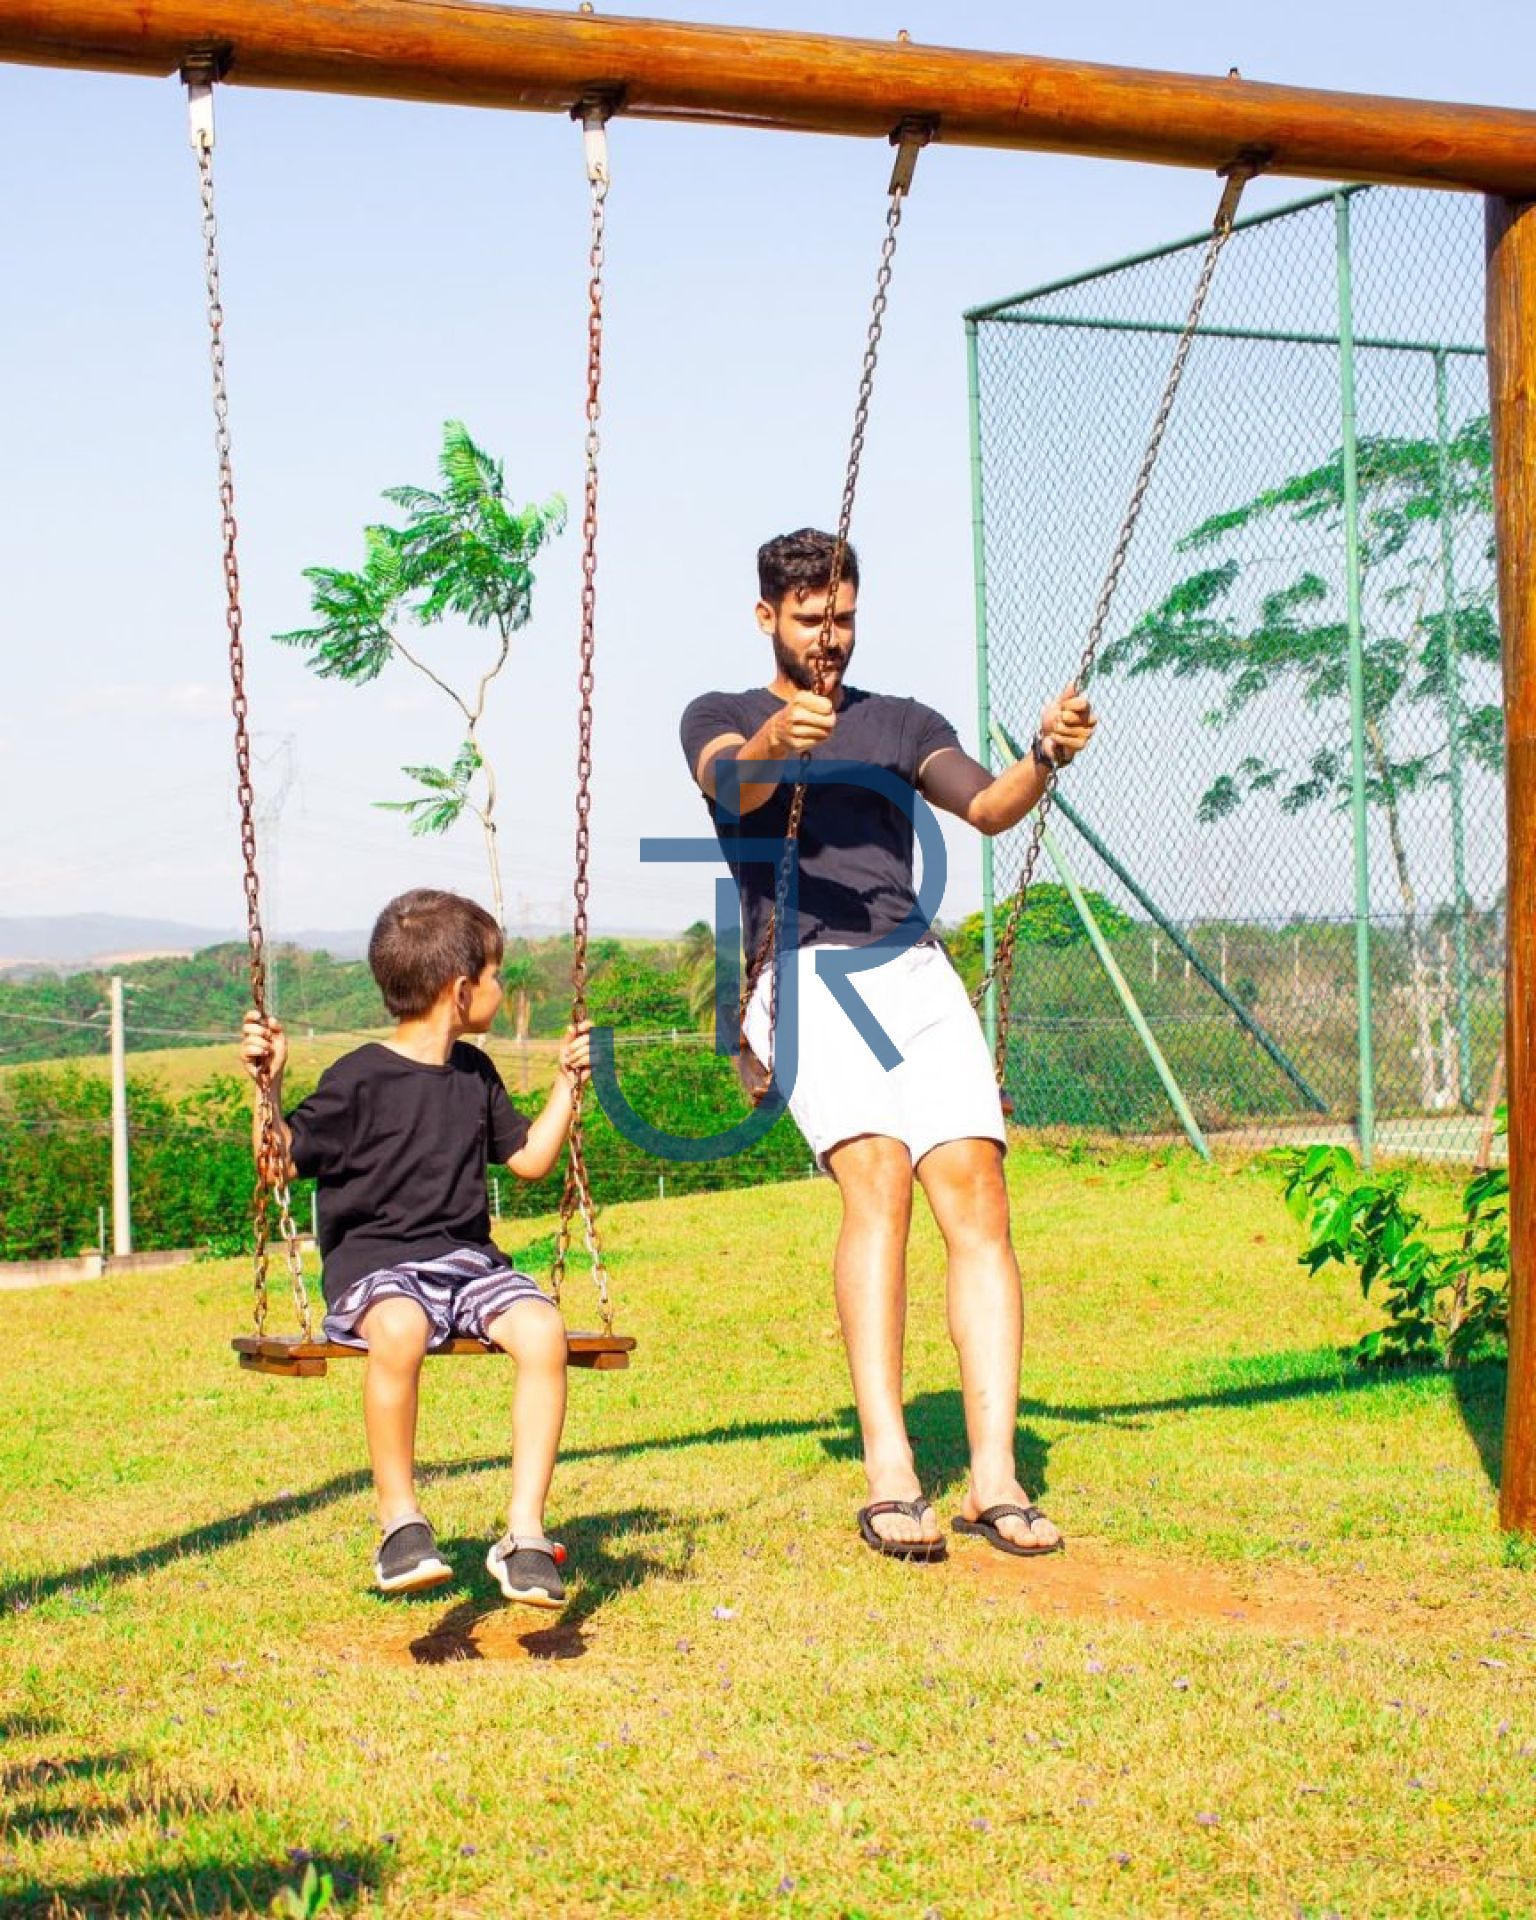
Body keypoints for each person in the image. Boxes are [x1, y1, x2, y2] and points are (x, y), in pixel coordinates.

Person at [680, 528, 1097, 1561]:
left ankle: (994, 1477)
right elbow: (730, 786)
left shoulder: (903, 721)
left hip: (911, 968)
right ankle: (892, 1470)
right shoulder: (720, 714)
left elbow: (989, 808)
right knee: (878, 1176)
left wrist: (1043, 754)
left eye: (845, 618)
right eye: (810, 620)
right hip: (802, 970)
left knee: (976, 1190)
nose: (830, 638)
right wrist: (781, 739)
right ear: (767, 617)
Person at [238, 887, 591, 1606]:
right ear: (460, 991)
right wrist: (266, 1090)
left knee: (542, 1328)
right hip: (377, 1271)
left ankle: (524, 1531)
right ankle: (400, 1522)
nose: (501, 987)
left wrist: (566, 1084)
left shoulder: (475, 1074)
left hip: (465, 1266)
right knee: (400, 1326)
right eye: (494, 975)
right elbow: (277, 1162)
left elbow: (529, 1159)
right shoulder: (357, 1078)